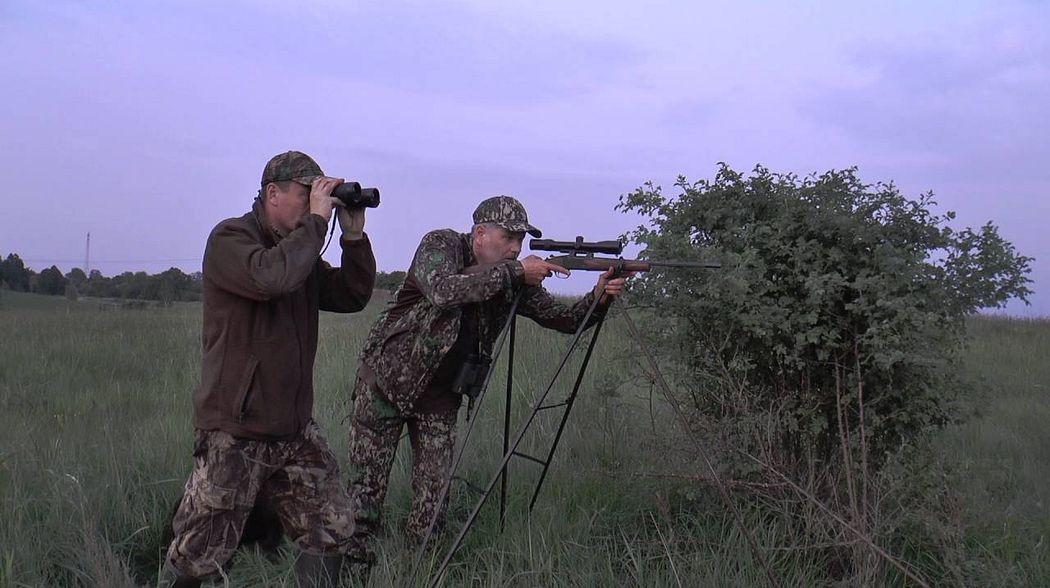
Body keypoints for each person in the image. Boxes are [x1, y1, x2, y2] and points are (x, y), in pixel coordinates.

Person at [345, 195, 628, 573]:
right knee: (364, 496)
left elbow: (564, 319)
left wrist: (598, 297)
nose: (516, 248)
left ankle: (416, 574)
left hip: (440, 400)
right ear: (480, 234)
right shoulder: (441, 245)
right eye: (508, 237)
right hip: (384, 388)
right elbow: (444, 290)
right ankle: (351, 573)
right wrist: (514, 272)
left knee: (433, 503)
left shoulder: (512, 277)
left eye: (520, 240)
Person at [160, 150, 377, 587]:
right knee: (200, 551)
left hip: (293, 430)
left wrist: (352, 238)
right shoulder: (231, 239)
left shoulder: (299, 253)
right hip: (235, 431)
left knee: (332, 526)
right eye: (307, 193)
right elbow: (269, 278)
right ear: (272, 193)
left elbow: (351, 295)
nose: (316, 203)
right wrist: (316, 225)